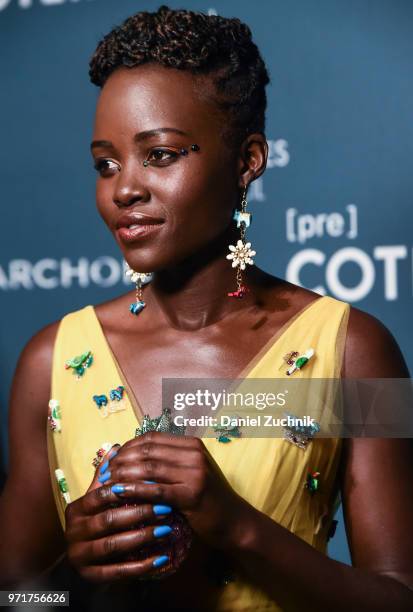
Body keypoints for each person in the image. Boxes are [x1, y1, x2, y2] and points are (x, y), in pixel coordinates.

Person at [1, 5, 413, 611]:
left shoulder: (354, 350)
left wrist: (237, 526)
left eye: (160, 154)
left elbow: (399, 598)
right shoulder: (51, 361)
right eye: (106, 164)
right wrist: (74, 578)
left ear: (247, 160)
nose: (124, 188)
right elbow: (16, 598)